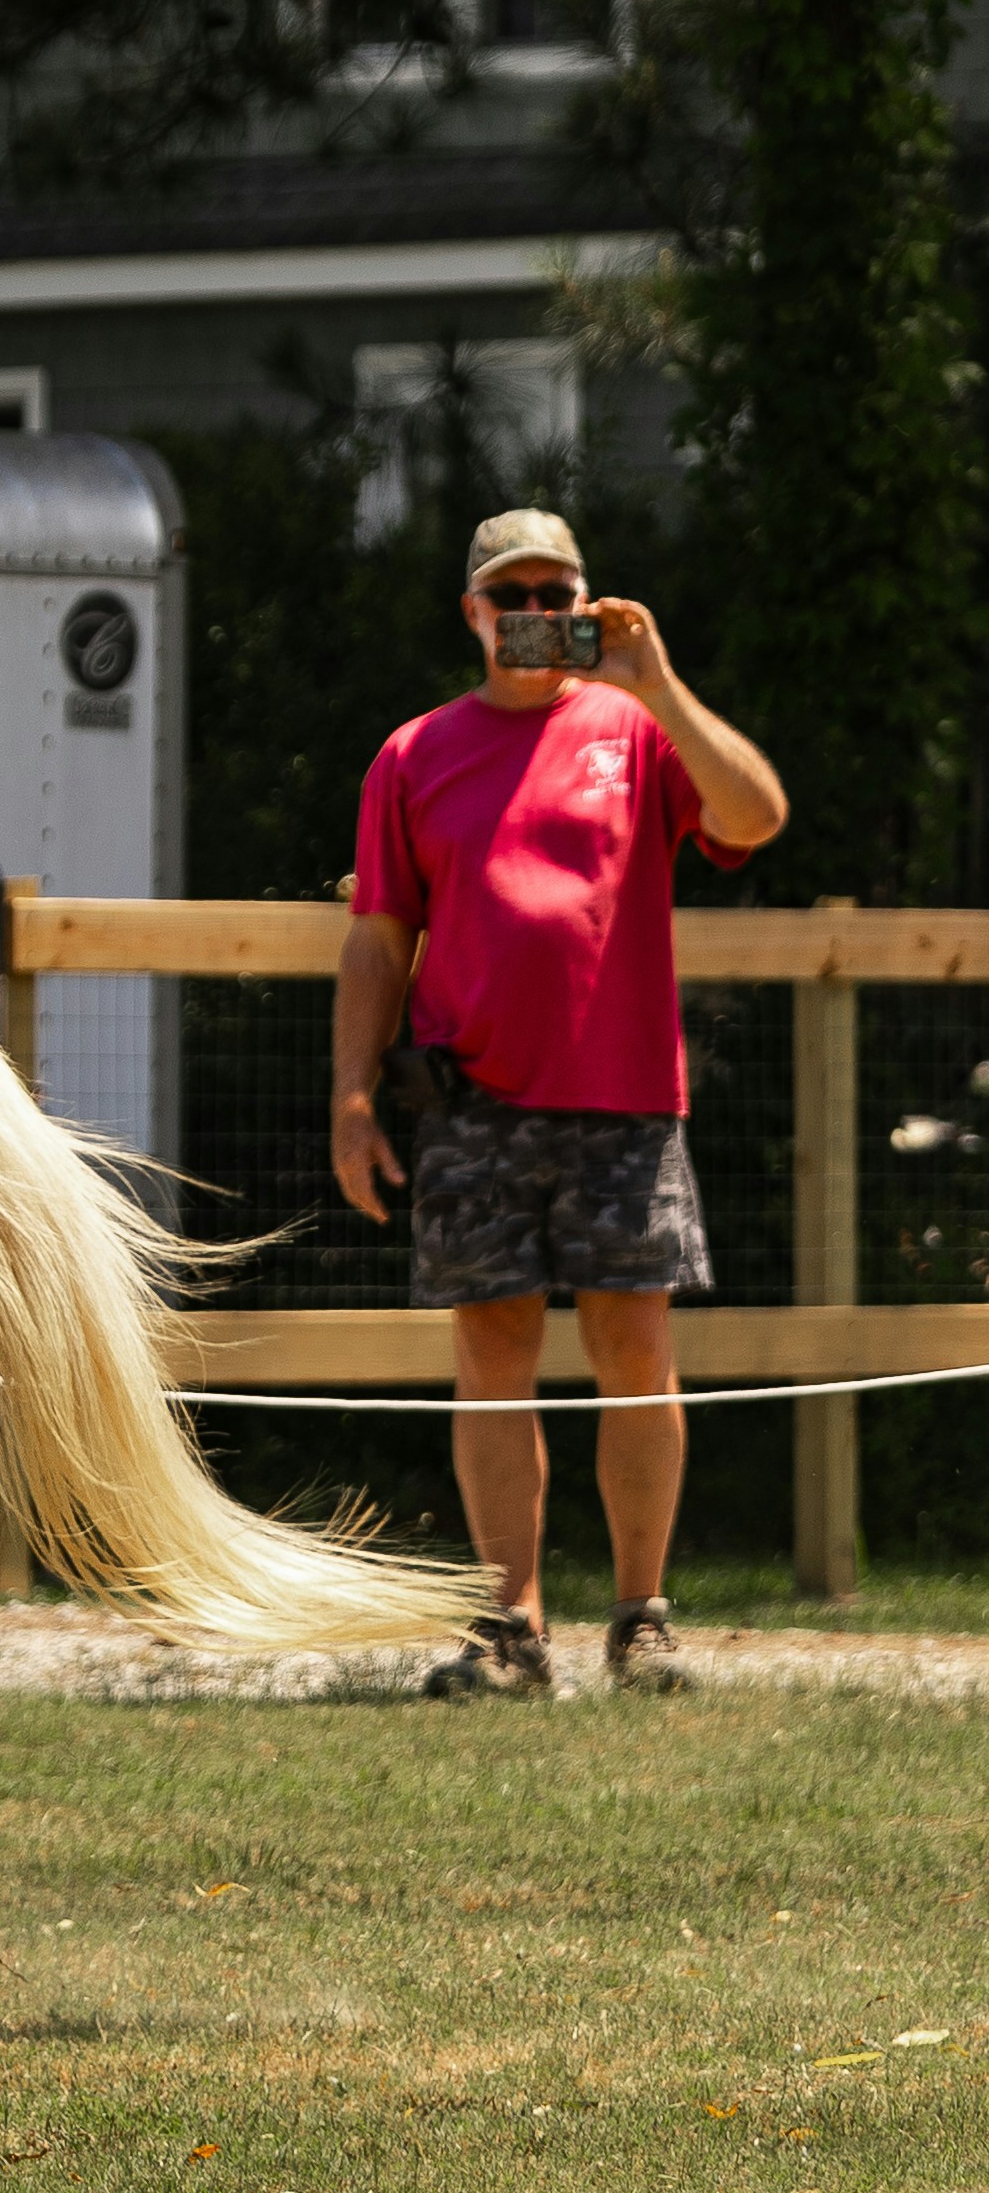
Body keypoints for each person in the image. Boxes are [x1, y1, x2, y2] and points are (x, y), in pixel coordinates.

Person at [331, 506, 788, 1697]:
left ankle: (642, 1619)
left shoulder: (636, 730)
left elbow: (755, 818)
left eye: (555, 593)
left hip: (625, 1099)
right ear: (474, 610)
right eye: (511, 594)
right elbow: (379, 940)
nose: (534, 614)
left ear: (585, 603)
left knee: (637, 1349)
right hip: (470, 1102)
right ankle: (510, 1631)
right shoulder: (414, 752)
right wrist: (351, 1096)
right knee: (493, 1354)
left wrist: (658, 675)